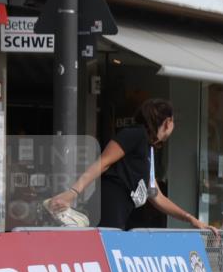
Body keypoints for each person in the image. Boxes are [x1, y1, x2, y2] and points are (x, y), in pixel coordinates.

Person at [48, 98, 212, 231]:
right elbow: (102, 163)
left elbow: (156, 196)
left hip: (120, 212)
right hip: (109, 204)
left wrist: (190, 219)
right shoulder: (135, 134)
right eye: (174, 122)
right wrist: (73, 192)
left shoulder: (149, 149)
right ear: (168, 122)